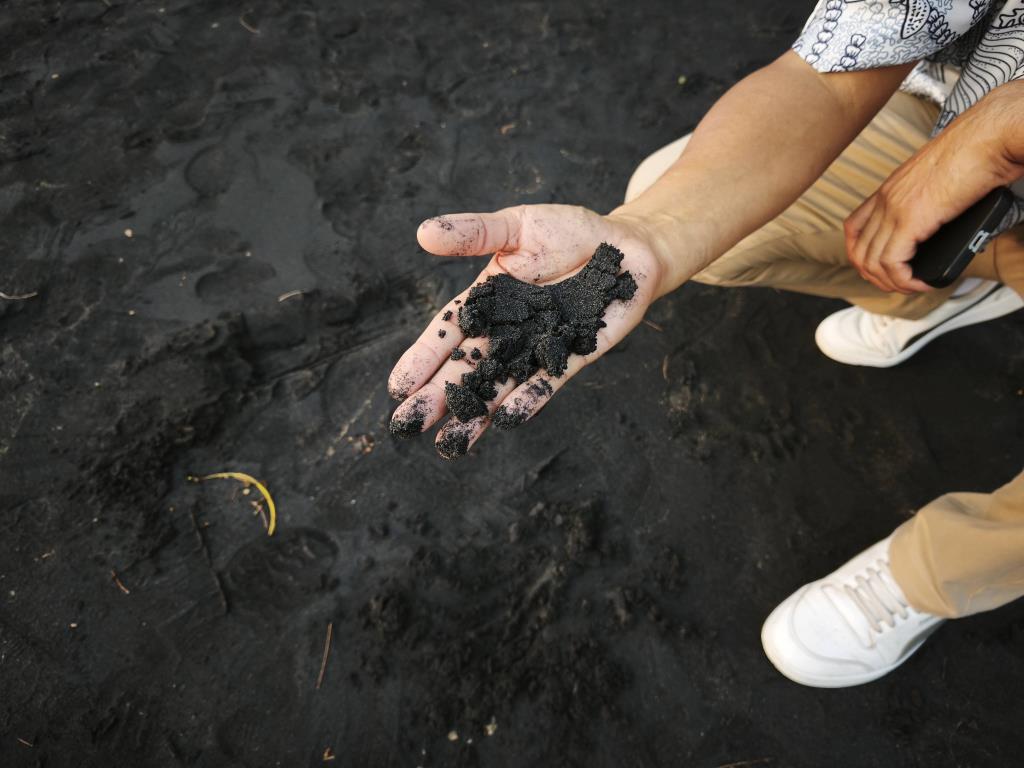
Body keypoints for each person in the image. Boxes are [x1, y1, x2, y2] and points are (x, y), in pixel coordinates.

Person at [387, 0, 1024, 688]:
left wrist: (1002, 131)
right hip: (963, 132)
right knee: (687, 203)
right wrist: (656, 234)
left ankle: (941, 569)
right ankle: (954, 283)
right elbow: (823, 78)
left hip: (988, 142)